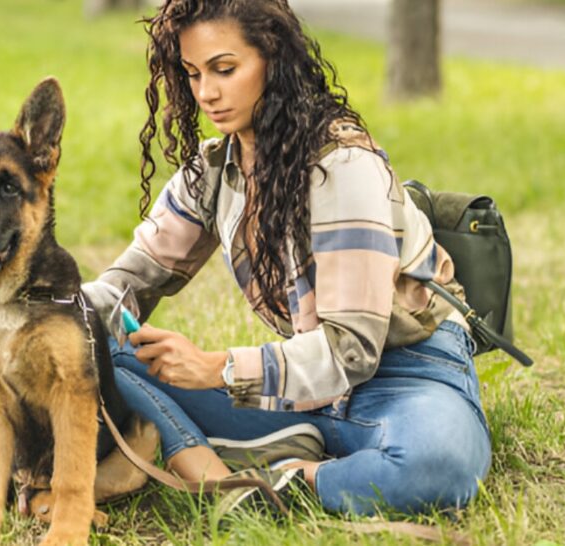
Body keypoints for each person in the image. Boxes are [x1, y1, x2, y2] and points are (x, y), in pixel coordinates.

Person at [81, 0, 491, 517]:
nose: (207, 92)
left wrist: (218, 369)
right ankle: (219, 478)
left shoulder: (342, 166)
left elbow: (353, 352)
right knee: (100, 356)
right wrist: (43, 312)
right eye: (192, 74)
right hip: (303, 391)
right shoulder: (211, 172)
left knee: (438, 466)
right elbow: (125, 284)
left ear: (272, 59)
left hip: (406, 372)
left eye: (225, 69)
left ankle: (298, 474)